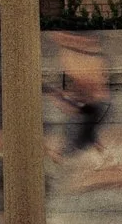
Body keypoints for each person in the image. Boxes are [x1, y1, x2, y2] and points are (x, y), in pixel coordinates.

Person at [48, 30, 112, 158]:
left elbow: (87, 86)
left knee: (80, 132)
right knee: (87, 132)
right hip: (92, 103)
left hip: (96, 104)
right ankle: (105, 155)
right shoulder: (77, 59)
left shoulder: (92, 62)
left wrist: (67, 99)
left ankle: (61, 154)